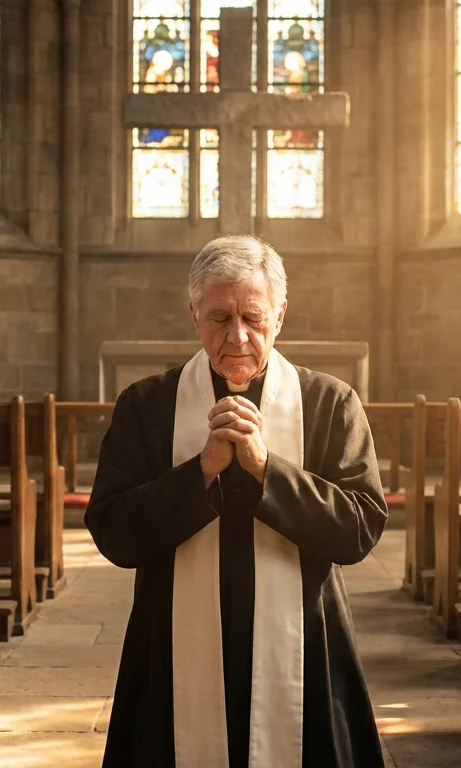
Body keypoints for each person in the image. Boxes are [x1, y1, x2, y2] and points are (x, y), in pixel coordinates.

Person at [86, 235, 388, 767]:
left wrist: (265, 468)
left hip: (302, 644)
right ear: (194, 315)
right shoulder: (147, 405)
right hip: (173, 646)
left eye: (253, 315)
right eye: (219, 317)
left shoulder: (330, 403)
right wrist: (201, 471)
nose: (238, 335)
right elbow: (112, 530)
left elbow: (359, 528)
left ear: (280, 314)